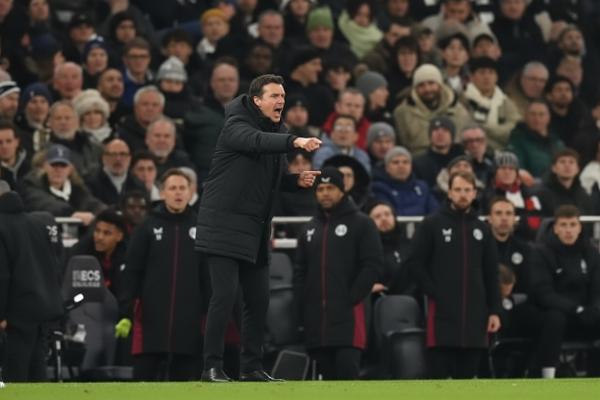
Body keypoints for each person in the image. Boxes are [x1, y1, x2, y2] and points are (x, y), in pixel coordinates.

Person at [195, 74, 322, 383]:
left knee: (258, 299)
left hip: (255, 229)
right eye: (274, 96)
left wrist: (295, 181)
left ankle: (251, 367)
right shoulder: (235, 125)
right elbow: (255, 142)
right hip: (223, 224)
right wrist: (294, 142)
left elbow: (271, 180)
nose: (281, 101)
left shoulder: (278, 131)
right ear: (257, 100)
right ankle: (212, 366)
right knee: (224, 297)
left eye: (283, 96)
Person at [405, 170, 501, 379]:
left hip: (475, 316)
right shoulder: (432, 224)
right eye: (457, 190)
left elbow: (491, 272)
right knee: (439, 378)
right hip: (442, 315)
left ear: (474, 193)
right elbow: (414, 263)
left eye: (467, 190)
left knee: (467, 379)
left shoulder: (482, 229)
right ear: (449, 193)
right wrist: (433, 291)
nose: (462, 195)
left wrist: (494, 310)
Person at [294, 167, 383, 380]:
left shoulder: (362, 223)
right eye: (320, 189)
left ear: (342, 191)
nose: (325, 193)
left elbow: (372, 265)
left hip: (349, 319)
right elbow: (300, 272)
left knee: (347, 379)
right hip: (317, 322)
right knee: (323, 383)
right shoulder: (309, 229)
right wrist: (303, 304)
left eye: (330, 188)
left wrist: (352, 298)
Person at [116, 169, 205, 381]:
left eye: (182, 188)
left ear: (190, 192)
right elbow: (132, 271)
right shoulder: (147, 226)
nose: (178, 193)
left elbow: (207, 274)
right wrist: (126, 311)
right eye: (172, 188)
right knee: (144, 382)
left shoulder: (201, 227)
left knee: (185, 385)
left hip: (189, 322)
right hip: (150, 320)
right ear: (163, 193)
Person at [0, 181, 63, 382]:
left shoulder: (2, 226)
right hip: (42, 309)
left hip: (14, 312)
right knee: (37, 371)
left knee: (15, 373)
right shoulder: (38, 224)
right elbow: (53, 266)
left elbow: (2, 275)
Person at [531, 205, 600, 377]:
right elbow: (543, 292)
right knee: (555, 317)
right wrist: (576, 309)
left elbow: (597, 288)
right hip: (556, 314)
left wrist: (594, 309)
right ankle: (548, 375)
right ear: (555, 228)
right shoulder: (541, 252)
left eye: (572, 225)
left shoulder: (591, 253)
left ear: (580, 227)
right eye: (563, 225)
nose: (568, 230)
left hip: (585, 314)